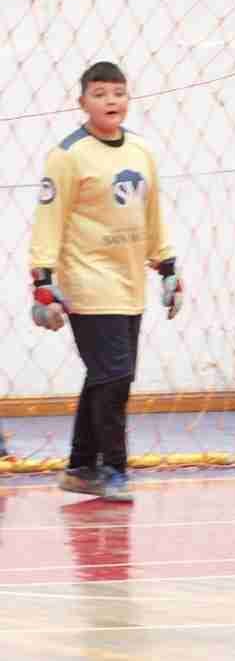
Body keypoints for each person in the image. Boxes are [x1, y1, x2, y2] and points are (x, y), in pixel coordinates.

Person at [29, 61, 183, 503]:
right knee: (115, 376)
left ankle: (80, 468)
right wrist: (42, 281)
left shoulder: (141, 152)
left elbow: (153, 215)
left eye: (118, 92)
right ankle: (114, 469)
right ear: (83, 103)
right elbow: (48, 219)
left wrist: (168, 267)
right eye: (100, 94)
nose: (111, 101)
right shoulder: (67, 155)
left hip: (130, 282)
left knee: (107, 375)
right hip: (87, 282)